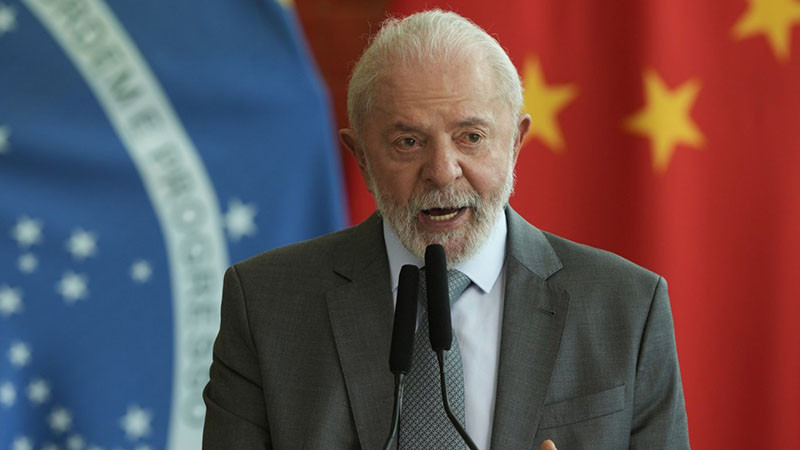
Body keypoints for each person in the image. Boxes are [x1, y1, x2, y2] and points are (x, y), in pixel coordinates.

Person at [202, 9, 690, 449]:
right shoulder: (266, 305)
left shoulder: (627, 307)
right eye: (408, 142)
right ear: (362, 159)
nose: (442, 171)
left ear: (515, 144)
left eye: (470, 137)